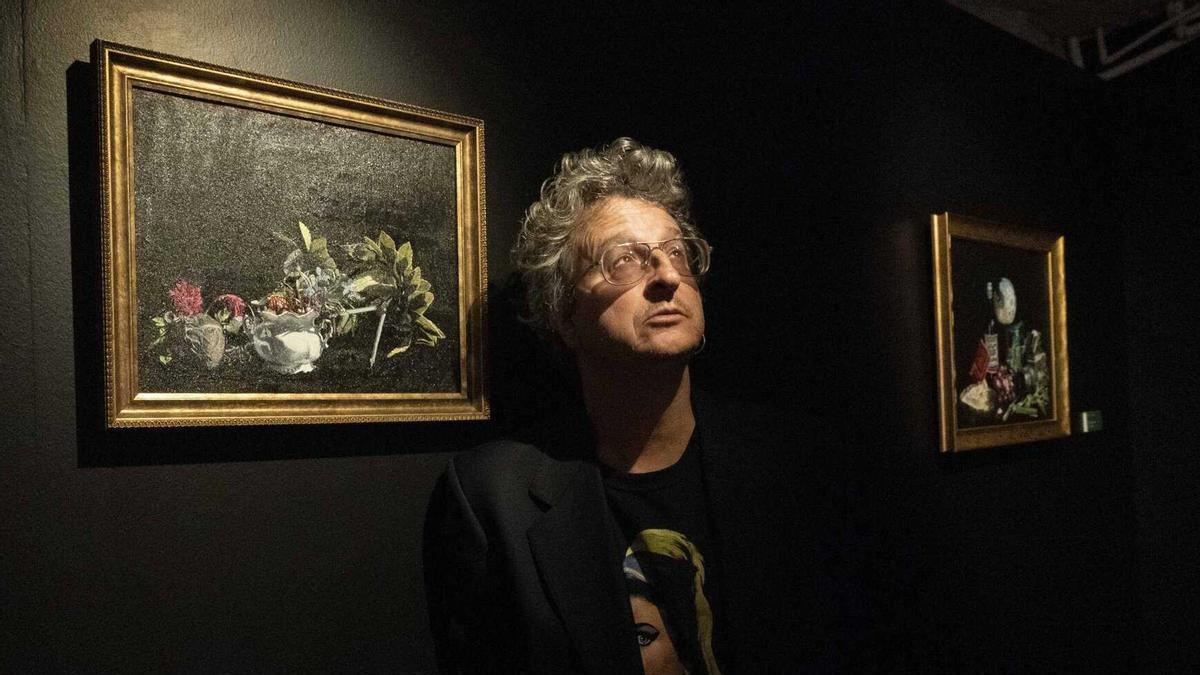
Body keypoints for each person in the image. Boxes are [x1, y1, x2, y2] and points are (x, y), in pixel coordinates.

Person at [423, 138, 853, 673]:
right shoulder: (491, 498)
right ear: (563, 311)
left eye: (678, 253)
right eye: (624, 259)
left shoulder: (799, 462)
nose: (668, 276)